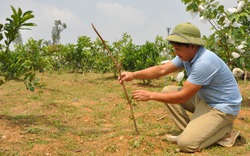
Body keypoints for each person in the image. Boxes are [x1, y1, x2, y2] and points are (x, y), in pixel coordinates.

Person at [118, 22, 242, 153]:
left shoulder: (204, 62)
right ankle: (193, 131)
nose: (175, 52)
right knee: (167, 90)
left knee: (186, 145)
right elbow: (162, 69)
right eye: (174, 48)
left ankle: (225, 131)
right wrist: (133, 75)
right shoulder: (187, 56)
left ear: (192, 46)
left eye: (178, 49)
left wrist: (150, 95)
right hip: (205, 99)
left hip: (222, 108)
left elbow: (183, 96)